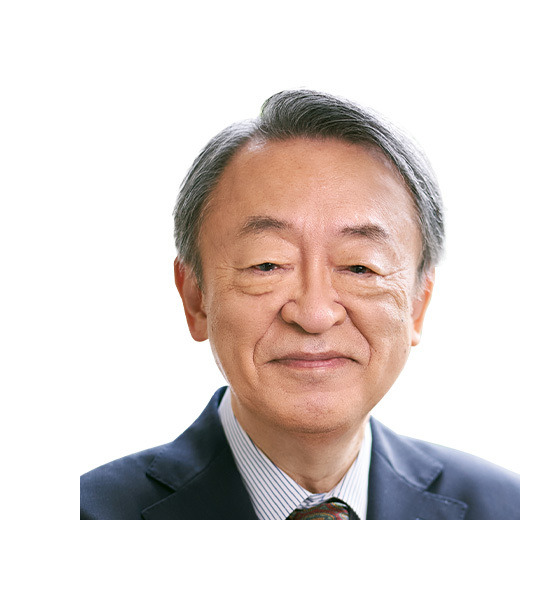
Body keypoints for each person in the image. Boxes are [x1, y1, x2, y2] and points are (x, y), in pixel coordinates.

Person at [80, 90, 519, 520]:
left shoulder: (508, 511)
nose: (314, 315)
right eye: (267, 264)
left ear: (418, 304)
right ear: (196, 298)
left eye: (360, 267)